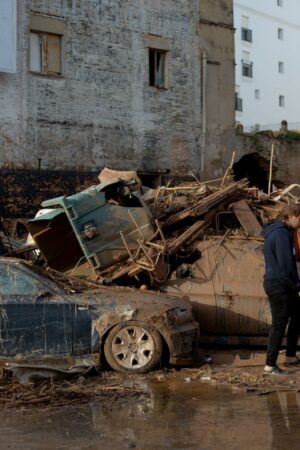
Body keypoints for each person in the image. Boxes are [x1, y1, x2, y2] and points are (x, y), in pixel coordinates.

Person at [262, 203, 300, 375]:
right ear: (292, 215)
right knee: (279, 324)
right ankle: (270, 365)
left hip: (283, 283)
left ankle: (290, 355)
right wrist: (297, 284)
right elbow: (286, 264)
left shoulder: (284, 232)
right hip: (279, 284)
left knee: (297, 315)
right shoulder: (281, 234)